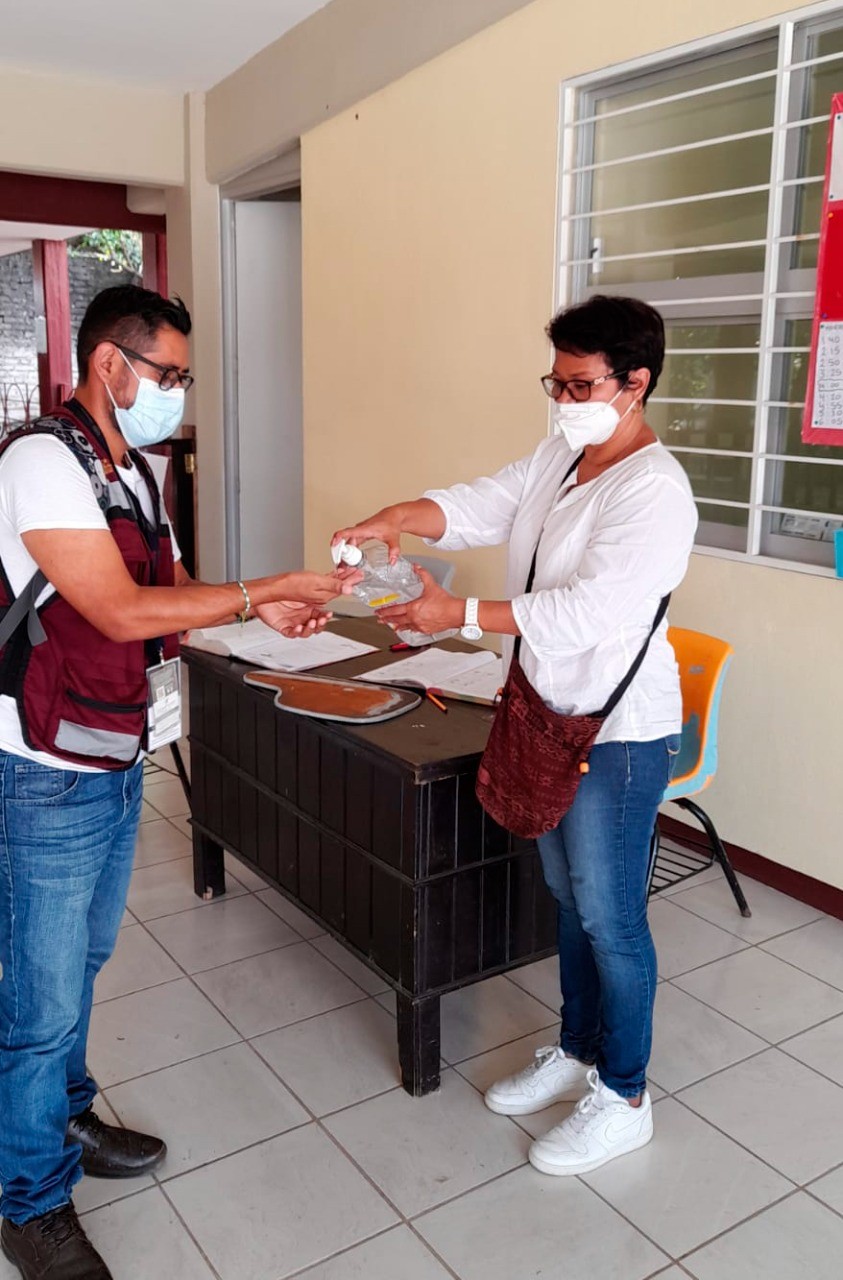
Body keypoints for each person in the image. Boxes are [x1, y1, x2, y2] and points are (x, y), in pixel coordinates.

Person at [0, 285, 356, 1280]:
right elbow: (116, 609)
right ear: (110, 364)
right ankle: (27, 1199)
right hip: (42, 770)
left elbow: (173, 602)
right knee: (36, 997)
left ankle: (66, 1117)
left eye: (184, 376)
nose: (178, 392)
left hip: (116, 752)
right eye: (169, 373)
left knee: (81, 963)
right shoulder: (40, 462)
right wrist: (263, 587)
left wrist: (260, 617)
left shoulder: (140, 472)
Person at [333, 294, 697, 1177]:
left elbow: (582, 613)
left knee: (611, 918)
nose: (562, 400)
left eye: (579, 384)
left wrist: (453, 612)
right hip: (543, 715)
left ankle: (625, 1094)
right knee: (567, 900)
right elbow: (475, 505)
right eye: (555, 382)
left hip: (615, 734)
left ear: (634, 382)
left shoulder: (653, 491)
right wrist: (392, 519)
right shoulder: (560, 457)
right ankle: (575, 1048)